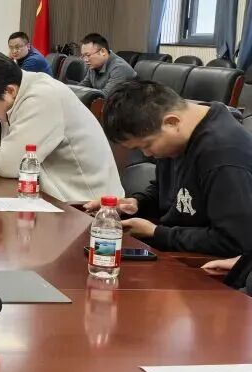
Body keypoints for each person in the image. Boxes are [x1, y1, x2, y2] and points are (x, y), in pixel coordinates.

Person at [86, 80, 252, 256]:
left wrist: (156, 233)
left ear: (172, 122)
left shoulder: (224, 156)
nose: (147, 154)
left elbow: (235, 240)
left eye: (147, 145)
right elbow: (168, 194)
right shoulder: (180, 134)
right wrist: (135, 204)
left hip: (201, 262)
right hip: (173, 245)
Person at [0, 47, 123, 203]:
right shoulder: (15, 94)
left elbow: (10, 165)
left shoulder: (42, 97)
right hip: (52, 199)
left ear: (9, 90)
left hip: (89, 207)